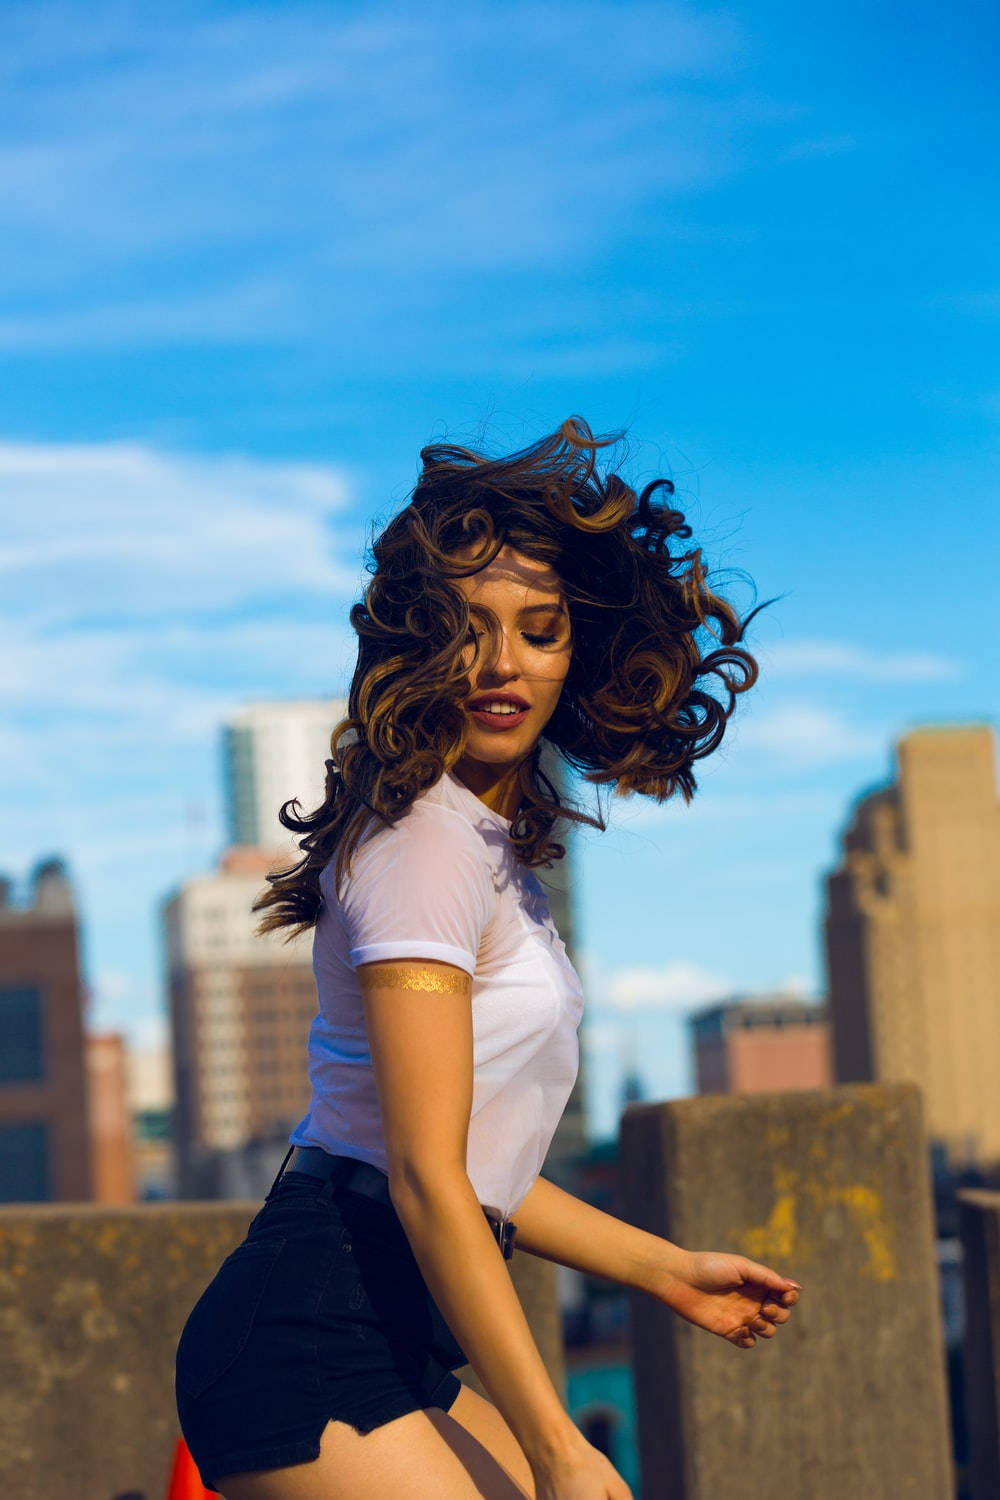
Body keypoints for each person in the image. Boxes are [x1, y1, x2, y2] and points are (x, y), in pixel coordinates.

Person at [174, 418, 801, 1500]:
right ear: (418, 646)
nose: (503, 663)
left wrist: (664, 1270)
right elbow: (422, 1177)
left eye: (540, 629)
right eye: (467, 630)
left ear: (579, 649)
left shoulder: (480, 843)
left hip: (388, 1332)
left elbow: (474, 1169)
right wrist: (559, 1442)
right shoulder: (423, 842)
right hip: (304, 1342)